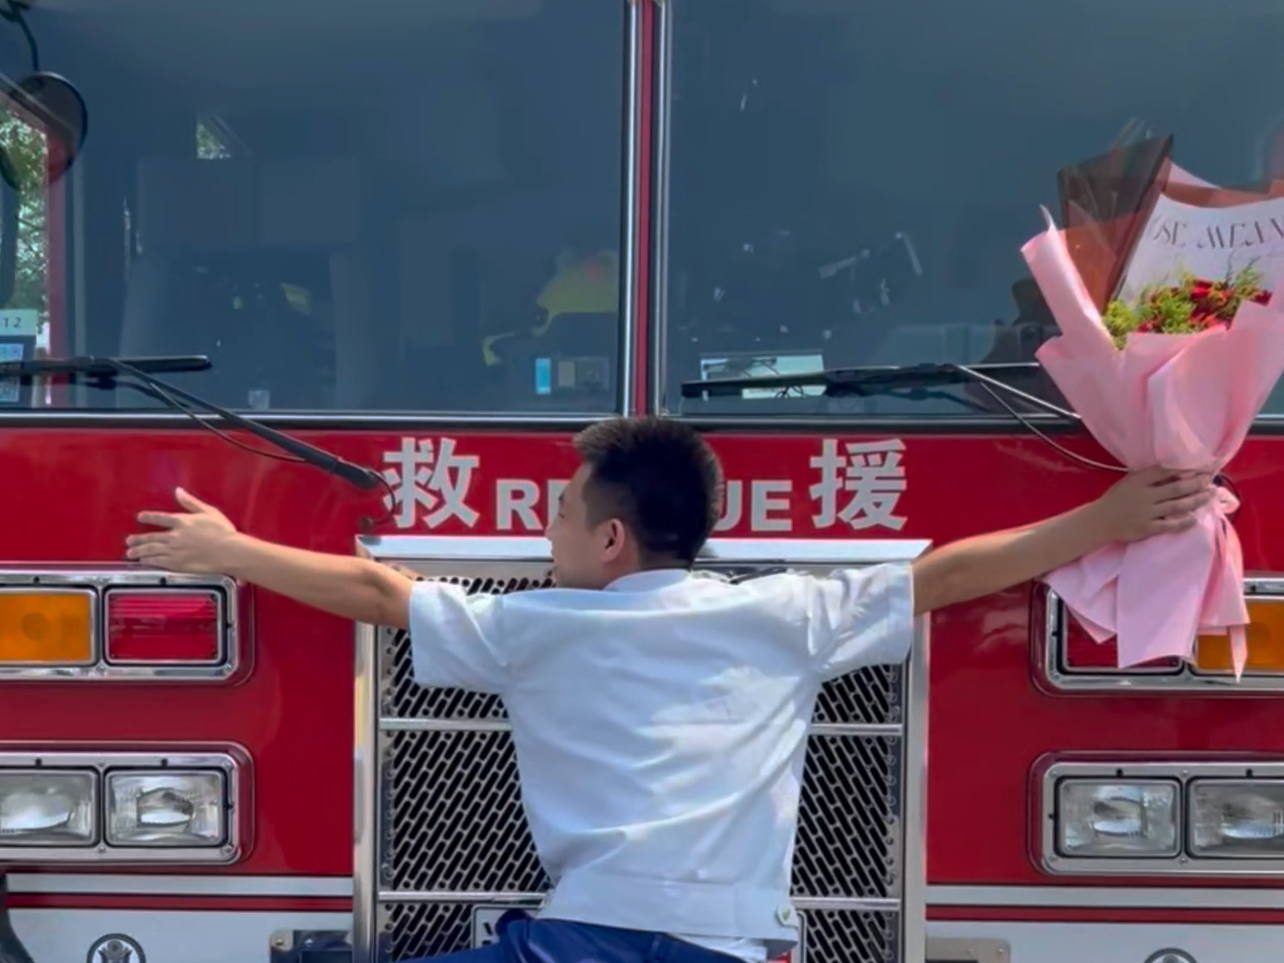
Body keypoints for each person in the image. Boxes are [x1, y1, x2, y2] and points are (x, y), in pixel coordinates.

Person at [125, 417, 1212, 963]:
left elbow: (376, 590)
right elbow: (949, 573)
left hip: (582, 943)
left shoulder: (533, 624)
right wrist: (1107, 519)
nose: (543, 535)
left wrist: (231, 548)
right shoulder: (784, 612)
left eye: (558, 515)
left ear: (610, 539)